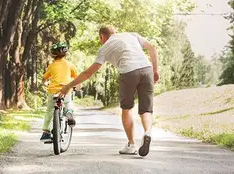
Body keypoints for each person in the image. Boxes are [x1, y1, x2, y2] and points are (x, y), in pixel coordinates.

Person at [59, 26, 159, 157]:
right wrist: (155, 70)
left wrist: (68, 86)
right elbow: (152, 48)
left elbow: (88, 73)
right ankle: (147, 133)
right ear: (114, 32)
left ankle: (132, 144)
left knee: (127, 109)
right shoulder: (131, 34)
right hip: (146, 69)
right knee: (146, 109)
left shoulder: (105, 47)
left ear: (102, 36)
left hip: (128, 72)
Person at [40, 42, 78, 142]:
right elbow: (77, 78)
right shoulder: (70, 65)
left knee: (49, 110)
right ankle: (69, 112)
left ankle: (46, 132)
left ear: (53, 55)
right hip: (66, 89)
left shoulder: (51, 66)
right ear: (65, 54)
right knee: (68, 102)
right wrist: (78, 86)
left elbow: (44, 79)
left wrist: (45, 84)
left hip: (53, 90)